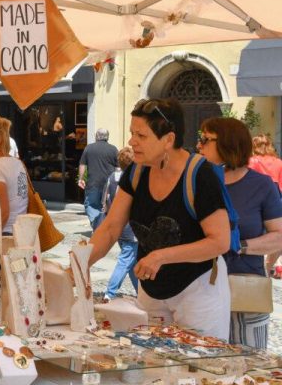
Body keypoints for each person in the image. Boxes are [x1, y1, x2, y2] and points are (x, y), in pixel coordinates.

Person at [89, 98, 231, 339]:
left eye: (141, 136)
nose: (132, 141)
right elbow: (111, 227)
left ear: (168, 139)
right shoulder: (136, 171)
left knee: (197, 365)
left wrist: (161, 256)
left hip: (198, 289)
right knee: (151, 366)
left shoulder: (201, 175)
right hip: (152, 290)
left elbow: (219, 242)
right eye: (132, 133)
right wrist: (80, 264)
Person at [198, 117, 282, 349]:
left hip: (244, 286)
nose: (199, 145)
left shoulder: (262, 185)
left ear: (228, 143)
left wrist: (239, 245)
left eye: (205, 139)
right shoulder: (198, 183)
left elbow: (279, 236)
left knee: (249, 364)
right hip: (200, 288)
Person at [102, 146, 139, 300]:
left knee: (131, 262)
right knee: (126, 261)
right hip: (131, 229)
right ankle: (109, 293)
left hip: (118, 227)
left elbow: (104, 201)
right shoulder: (135, 180)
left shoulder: (111, 177)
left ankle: (141, 293)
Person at [79, 128, 118, 230]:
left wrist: (81, 179)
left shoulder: (89, 148)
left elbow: (83, 165)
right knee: (108, 206)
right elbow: (118, 168)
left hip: (93, 183)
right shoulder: (113, 149)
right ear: (107, 137)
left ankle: (97, 225)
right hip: (109, 184)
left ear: (96, 136)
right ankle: (103, 226)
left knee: (91, 205)